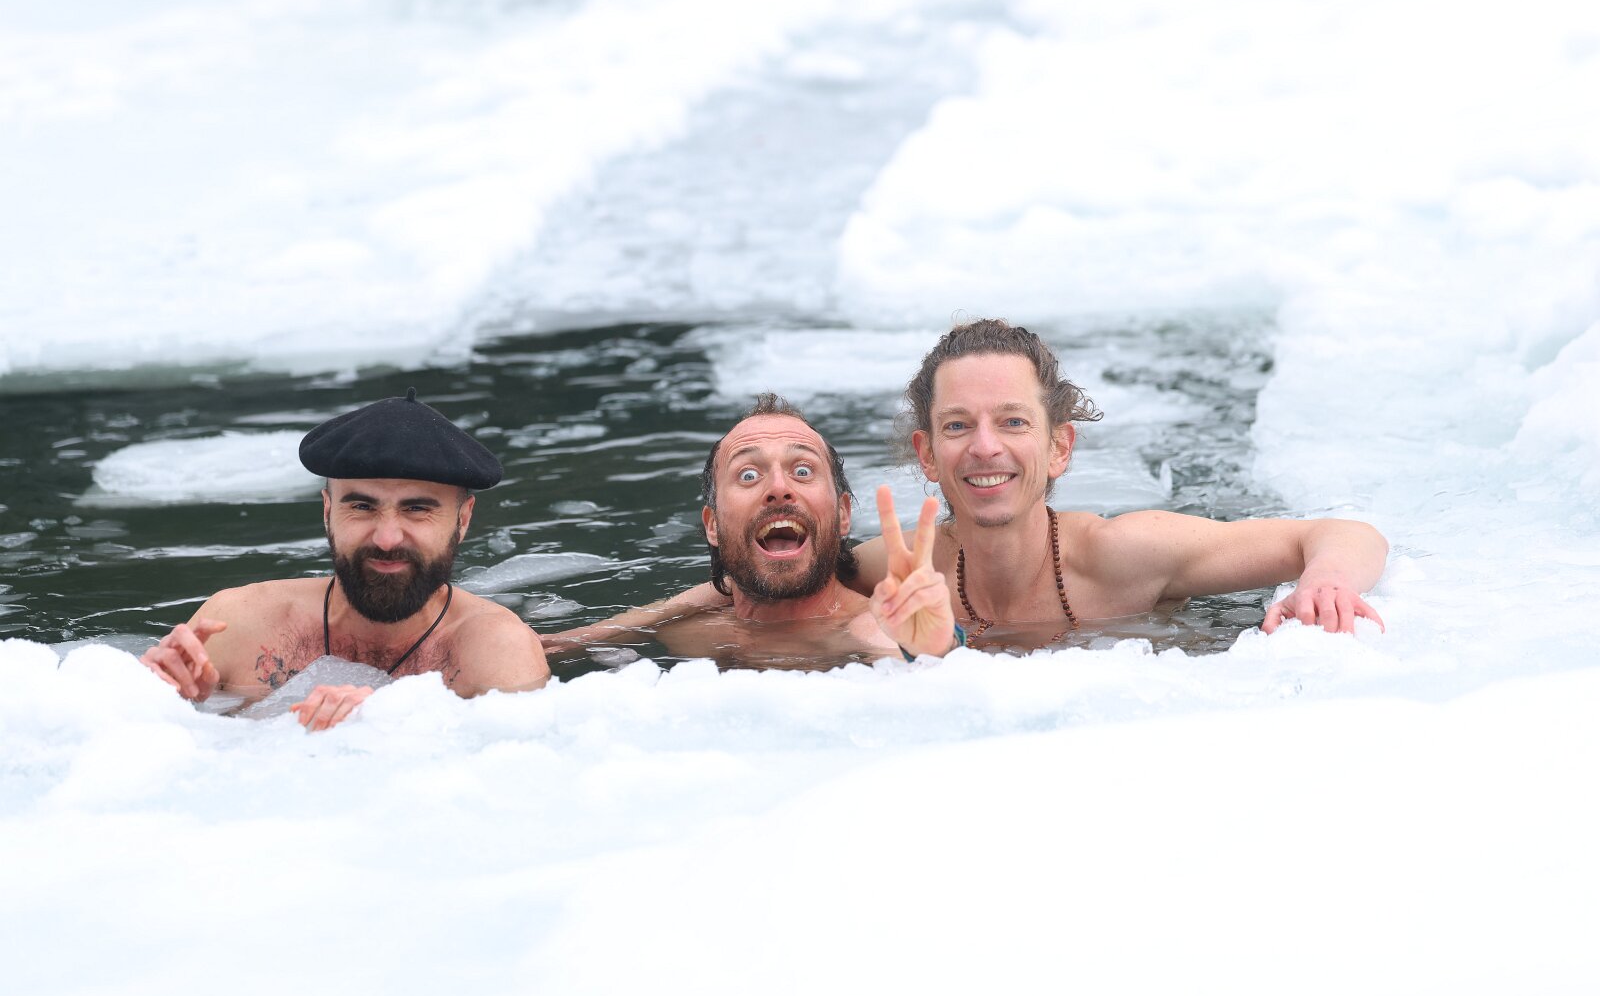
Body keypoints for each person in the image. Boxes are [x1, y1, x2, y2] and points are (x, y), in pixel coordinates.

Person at [850, 319, 1389, 647]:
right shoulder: (890, 571)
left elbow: (1344, 534)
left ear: (1059, 447)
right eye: (957, 426)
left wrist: (1324, 583)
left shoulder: (1125, 555)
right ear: (927, 454)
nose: (985, 446)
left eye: (1013, 421)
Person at [138, 388, 549, 730]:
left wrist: (389, 729)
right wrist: (168, 701)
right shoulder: (238, 623)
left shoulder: (496, 653)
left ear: (462, 519)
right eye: (362, 507)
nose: (386, 539)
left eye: (417, 509)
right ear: (327, 510)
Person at [544, 394, 959, 668]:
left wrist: (933, 655)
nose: (779, 488)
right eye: (748, 474)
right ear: (713, 526)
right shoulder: (688, 634)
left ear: (843, 514)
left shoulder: (874, 632)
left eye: (802, 471)